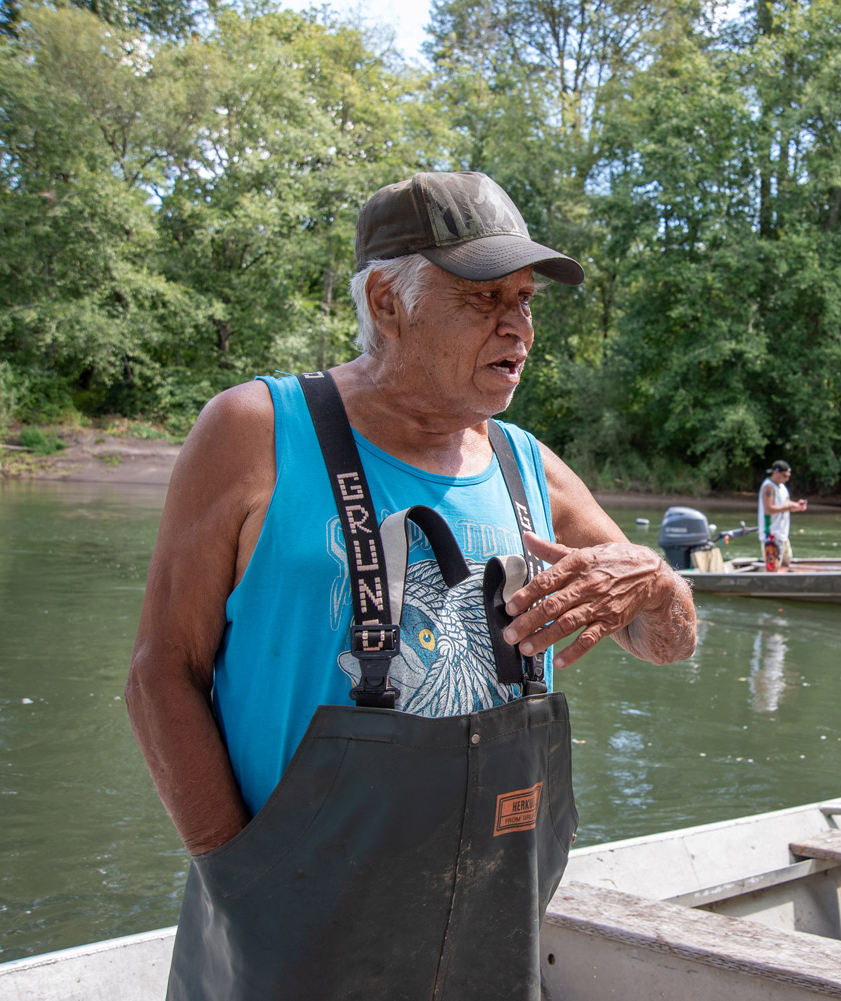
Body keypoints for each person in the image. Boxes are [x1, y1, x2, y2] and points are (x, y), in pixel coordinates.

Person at [125, 171, 697, 1000]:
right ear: (389, 301)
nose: (520, 328)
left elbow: (664, 644)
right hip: (279, 937)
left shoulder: (528, 467)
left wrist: (653, 580)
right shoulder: (256, 431)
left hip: (489, 940)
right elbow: (160, 674)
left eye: (527, 300)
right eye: (484, 299)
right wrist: (237, 877)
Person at [758, 459, 806, 568]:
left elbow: (786, 504)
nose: (787, 479)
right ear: (775, 472)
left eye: (788, 476)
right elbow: (768, 509)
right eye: (785, 476)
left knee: (786, 564)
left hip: (783, 535)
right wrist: (789, 507)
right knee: (773, 568)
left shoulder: (782, 487)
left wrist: (797, 506)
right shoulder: (768, 487)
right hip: (771, 534)